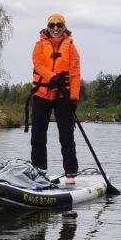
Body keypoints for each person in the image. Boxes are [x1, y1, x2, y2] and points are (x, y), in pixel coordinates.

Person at [30, 13, 80, 185]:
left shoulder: (71, 48)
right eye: (52, 25)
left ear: (64, 27)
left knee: (66, 136)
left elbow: (75, 74)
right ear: (48, 27)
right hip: (41, 94)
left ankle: (71, 174)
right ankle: (39, 173)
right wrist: (52, 77)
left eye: (59, 25)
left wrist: (74, 98)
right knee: (37, 137)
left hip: (63, 96)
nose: (56, 28)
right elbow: (38, 65)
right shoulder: (39, 45)